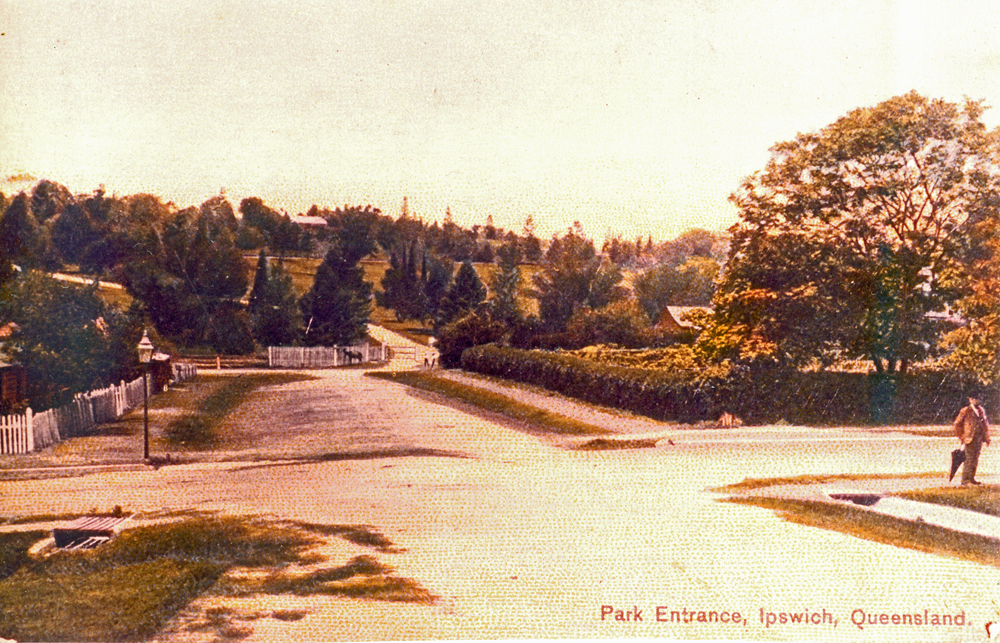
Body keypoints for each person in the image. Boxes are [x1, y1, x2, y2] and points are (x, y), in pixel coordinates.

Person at [953, 392, 991, 485]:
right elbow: (957, 424)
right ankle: (965, 480)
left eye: (978, 399)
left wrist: (987, 437)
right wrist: (962, 436)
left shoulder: (981, 410)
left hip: (979, 438)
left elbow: (985, 424)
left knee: (975, 458)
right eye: (974, 399)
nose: (977, 400)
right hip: (969, 438)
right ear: (970, 399)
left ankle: (972, 478)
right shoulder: (965, 410)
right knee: (968, 459)